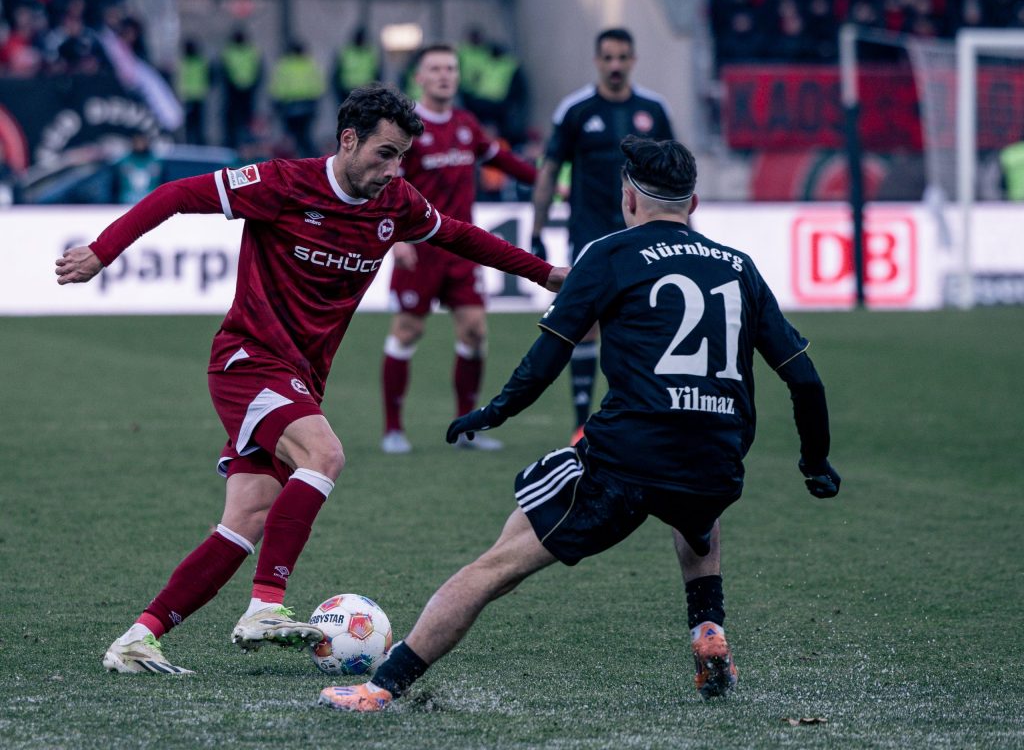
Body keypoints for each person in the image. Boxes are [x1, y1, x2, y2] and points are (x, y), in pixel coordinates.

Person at [55, 83, 567, 675]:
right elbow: (174, 194)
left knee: (246, 519)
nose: (393, 170)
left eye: (401, 157)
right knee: (324, 455)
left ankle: (138, 640)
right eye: (384, 153)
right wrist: (102, 251)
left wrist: (545, 274)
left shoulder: (395, 202)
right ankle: (265, 605)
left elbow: (458, 234)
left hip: (301, 377)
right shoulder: (281, 183)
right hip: (248, 359)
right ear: (348, 140)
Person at [317, 135, 841, 712]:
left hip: (626, 459)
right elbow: (806, 380)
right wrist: (814, 460)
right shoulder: (740, 267)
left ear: (628, 198)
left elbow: (550, 355)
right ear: (692, 204)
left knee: (498, 564)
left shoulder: (608, 254)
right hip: (718, 460)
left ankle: (380, 687)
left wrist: (494, 411)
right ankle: (707, 627)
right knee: (696, 507)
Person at [380, 44, 539, 454]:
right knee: (408, 331)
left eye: (450, 68)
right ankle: (393, 429)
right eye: (435, 69)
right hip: (420, 248)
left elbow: (501, 159)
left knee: (475, 330)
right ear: (419, 77)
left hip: (463, 249)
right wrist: (397, 238)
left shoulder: (466, 124)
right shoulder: (406, 129)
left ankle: (466, 430)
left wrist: (545, 181)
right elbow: (387, 186)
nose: (444, 75)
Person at [530, 28, 674, 444]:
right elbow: (549, 170)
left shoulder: (654, 109)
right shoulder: (576, 110)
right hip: (590, 234)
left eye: (622, 57)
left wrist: (685, 231)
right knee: (588, 323)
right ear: (597, 60)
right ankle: (581, 424)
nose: (615, 65)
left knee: (646, 321)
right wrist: (537, 229)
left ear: (633, 60)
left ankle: (642, 417)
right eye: (608, 57)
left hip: (646, 233)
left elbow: (675, 173)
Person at [269, 39, 325, 158]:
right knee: (305, 135)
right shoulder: (309, 63)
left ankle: (296, 160)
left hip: (290, 105)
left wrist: (277, 102)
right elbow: (318, 84)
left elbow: (277, 85)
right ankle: (311, 158)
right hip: (306, 104)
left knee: (292, 137)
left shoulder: (284, 64)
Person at [219, 28, 263, 151]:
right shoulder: (248, 51)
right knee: (235, 118)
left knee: (245, 119)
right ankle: (233, 143)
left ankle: (246, 144)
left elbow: (258, 69)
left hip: (245, 91)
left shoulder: (232, 51)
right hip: (235, 90)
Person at [332, 26, 380, 106]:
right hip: (348, 92)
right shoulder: (346, 52)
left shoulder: (370, 53)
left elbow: (377, 73)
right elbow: (337, 75)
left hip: (366, 92)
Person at [178, 38, 210, 145]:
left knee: (197, 122)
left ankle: (197, 141)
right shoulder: (195, 61)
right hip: (191, 96)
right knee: (191, 122)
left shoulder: (188, 62)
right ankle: (190, 141)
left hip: (195, 96)